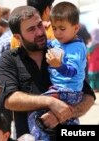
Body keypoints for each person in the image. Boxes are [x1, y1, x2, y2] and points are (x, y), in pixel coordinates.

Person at [0, 5, 95, 141]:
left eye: (39, 25)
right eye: (31, 29)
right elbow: (9, 100)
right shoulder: (10, 59)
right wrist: (50, 102)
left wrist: (64, 114)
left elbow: (88, 97)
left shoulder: (59, 50)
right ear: (18, 37)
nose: (39, 32)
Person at [27, 2, 87, 140]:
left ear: (76, 28)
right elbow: (49, 43)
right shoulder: (61, 40)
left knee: (35, 111)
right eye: (54, 28)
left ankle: (40, 138)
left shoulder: (76, 48)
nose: (58, 33)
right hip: (63, 91)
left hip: (67, 91)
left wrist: (58, 65)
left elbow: (72, 71)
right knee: (65, 118)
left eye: (62, 28)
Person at [88, 28, 99, 92]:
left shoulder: (94, 31)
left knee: (92, 76)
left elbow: (88, 50)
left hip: (93, 62)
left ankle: (93, 88)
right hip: (95, 62)